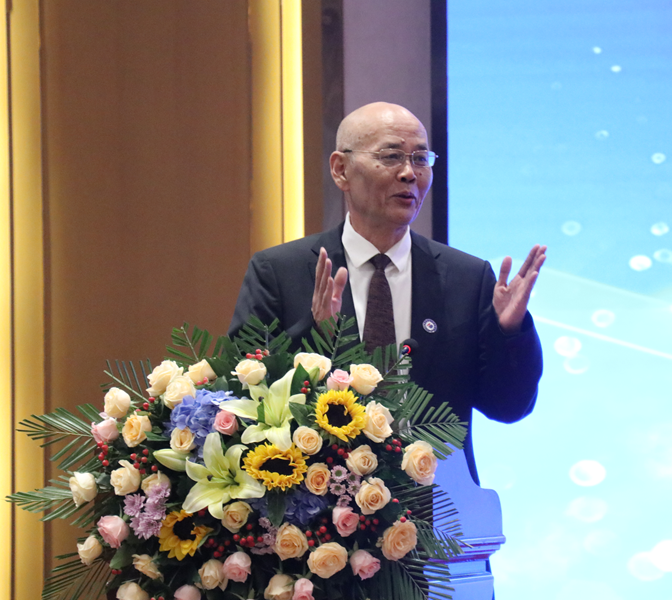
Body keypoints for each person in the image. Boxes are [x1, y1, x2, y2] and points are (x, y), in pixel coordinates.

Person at [230, 102, 545, 484]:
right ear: (340, 169)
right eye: (392, 156)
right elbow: (243, 396)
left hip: (437, 509)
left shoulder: (467, 278)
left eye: (420, 158)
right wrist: (319, 337)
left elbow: (508, 406)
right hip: (314, 504)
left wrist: (509, 333)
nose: (410, 173)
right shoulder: (281, 271)